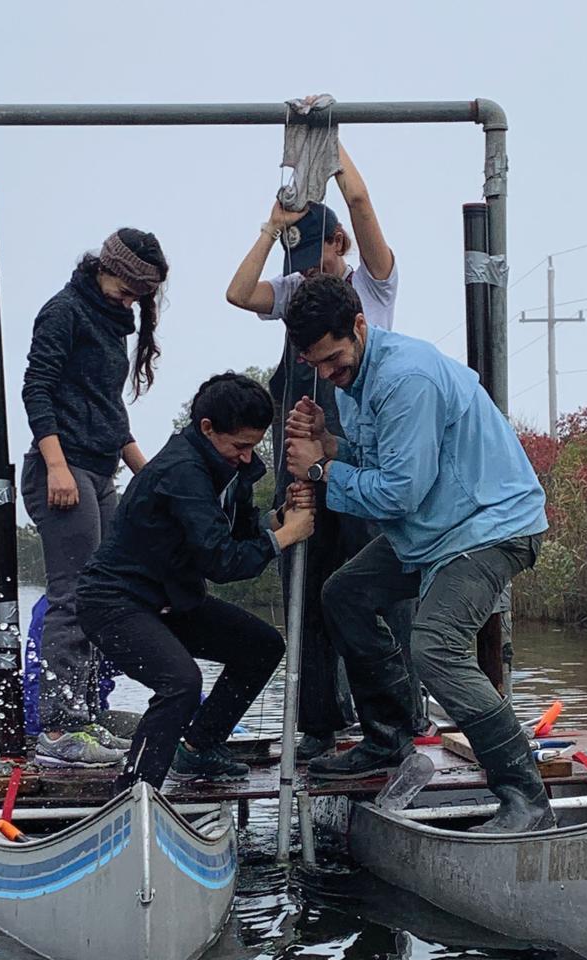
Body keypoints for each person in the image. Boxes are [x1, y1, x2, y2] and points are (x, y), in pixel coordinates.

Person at [283, 275, 556, 833]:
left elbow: (399, 491)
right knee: (345, 594)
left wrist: (319, 467)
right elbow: (374, 453)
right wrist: (328, 443)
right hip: (434, 532)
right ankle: (387, 740)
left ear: (361, 326)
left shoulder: (406, 377)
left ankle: (526, 798)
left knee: (435, 649)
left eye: (336, 360)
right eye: (321, 367)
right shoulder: (350, 379)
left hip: (488, 528)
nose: (332, 375)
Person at [225, 143, 421, 762]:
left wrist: (328, 146)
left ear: (339, 244)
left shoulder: (372, 288)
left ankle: (392, 723)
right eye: (301, 264)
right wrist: (271, 230)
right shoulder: (291, 292)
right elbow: (237, 293)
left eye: (319, 259)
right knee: (306, 598)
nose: (311, 275)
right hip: (301, 474)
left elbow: (360, 202)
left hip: (362, 467)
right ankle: (317, 726)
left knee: (374, 594)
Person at [74, 373, 315, 790]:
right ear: (206, 428)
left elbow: (236, 535)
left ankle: (199, 747)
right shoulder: (181, 471)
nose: (246, 456)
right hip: (114, 602)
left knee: (262, 646)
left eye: (253, 446)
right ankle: (134, 792)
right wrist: (287, 536)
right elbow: (220, 561)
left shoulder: (228, 468)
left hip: (171, 600)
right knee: (180, 682)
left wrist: (277, 520)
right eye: (239, 445)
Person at [20, 228, 168, 768]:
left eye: (139, 294)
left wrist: (145, 473)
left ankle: (86, 716)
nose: (132, 300)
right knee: (73, 596)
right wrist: (57, 465)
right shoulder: (63, 311)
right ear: (107, 267)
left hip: (100, 470)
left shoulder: (112, 323)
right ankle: (59, 730)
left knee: (102, 597)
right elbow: (37, 387)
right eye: (127, 288)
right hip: (62, 469)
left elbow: (107, 408)